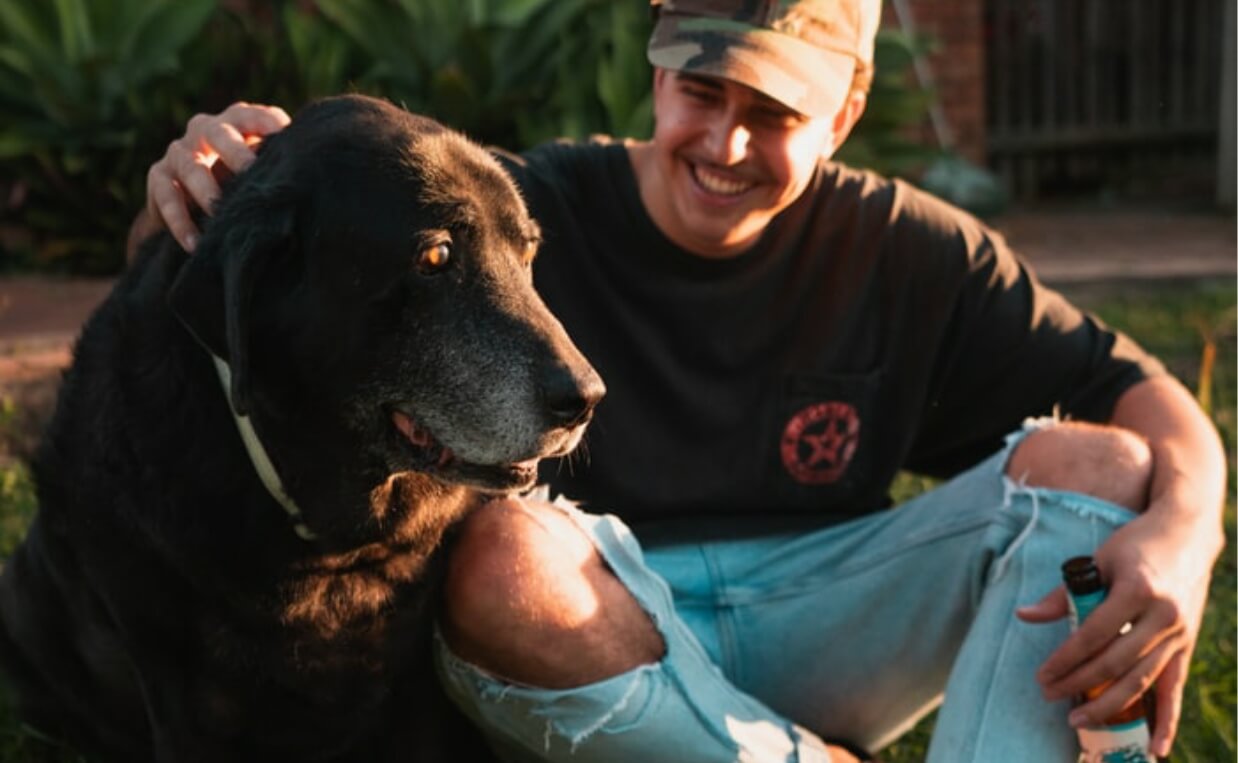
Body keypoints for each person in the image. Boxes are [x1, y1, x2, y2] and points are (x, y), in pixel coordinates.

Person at [131, 1, 1225, 761]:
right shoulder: (513, 214)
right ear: (656, 71)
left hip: (820, 617)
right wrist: (194, 191)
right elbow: (252, 278)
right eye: (700, 90)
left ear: (843, 114)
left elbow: (1136, 391)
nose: (725, 141)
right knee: (500, 553)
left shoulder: (912, 249)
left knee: (1105, 467)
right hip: (585, 632)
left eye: (774, 112)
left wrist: (1184, 535)